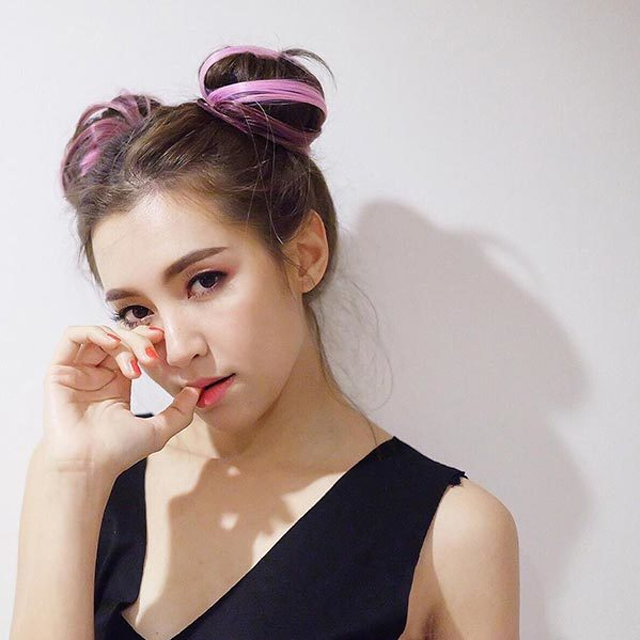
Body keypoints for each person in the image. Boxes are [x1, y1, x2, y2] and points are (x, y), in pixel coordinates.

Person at [10, 44, 519, 640]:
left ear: (304, 255)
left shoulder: (453, 533)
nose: (177, 350)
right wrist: (70, 477)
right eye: (136, 311)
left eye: (205, 281)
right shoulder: (84, 475)